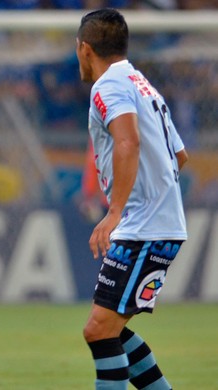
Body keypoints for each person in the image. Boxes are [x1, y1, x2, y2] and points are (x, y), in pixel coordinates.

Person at [76, 9, 188, 390]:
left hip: (143, 227)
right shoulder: (143, 85)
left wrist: (117, 211)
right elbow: (180, 157)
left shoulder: (107, 86)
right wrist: (155, 197)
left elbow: (128, 141)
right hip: (152, 223)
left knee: (99, 330)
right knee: (110, 329)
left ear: (84, 49)